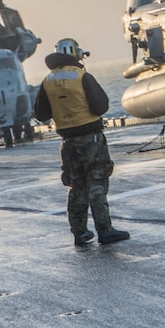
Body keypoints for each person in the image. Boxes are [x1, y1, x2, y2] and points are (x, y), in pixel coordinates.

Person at [34, 38, 130, 247]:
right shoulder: (82, 76)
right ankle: (105, 230)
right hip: (91, 138)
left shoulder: (47, 81)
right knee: (97, 181)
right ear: (75, 53)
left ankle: (79, 233)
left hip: (67, 141)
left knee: (76, 186)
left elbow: (41, 114)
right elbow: (101, 106)